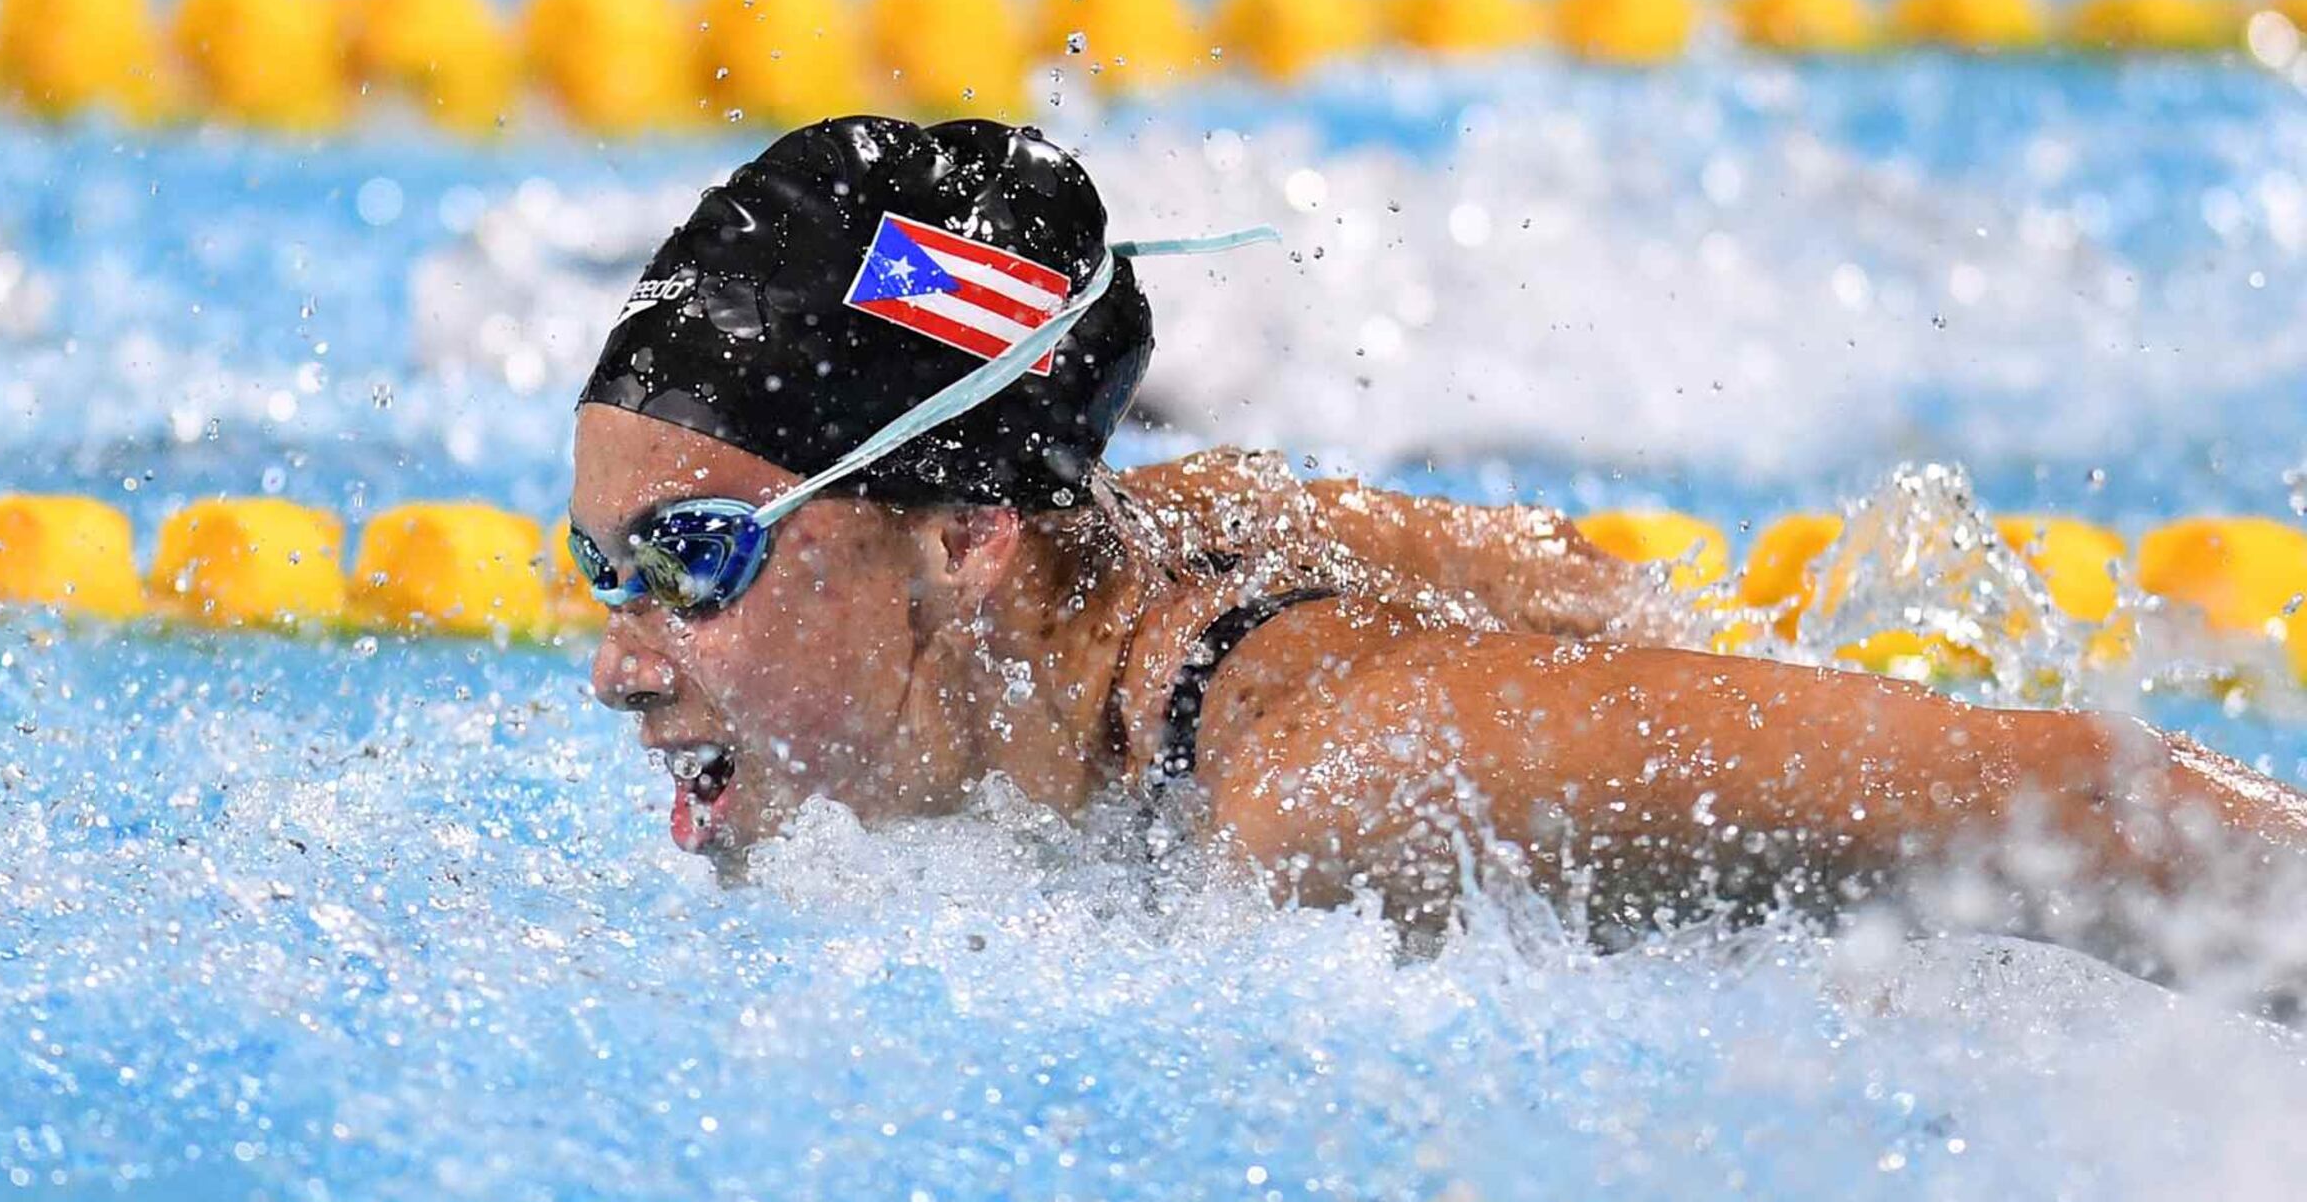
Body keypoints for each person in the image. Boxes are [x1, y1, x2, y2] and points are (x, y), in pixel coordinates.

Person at [567, 115, 2307, 984]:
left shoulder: (1332, 776)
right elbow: (1562, 564)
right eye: (604, 568)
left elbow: (2090, 803)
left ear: (963, 543)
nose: (619, 661)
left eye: (696, 559)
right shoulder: (1130, 549)